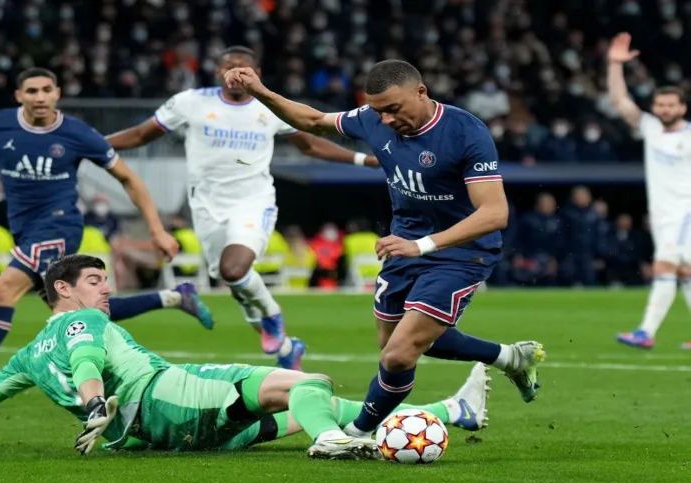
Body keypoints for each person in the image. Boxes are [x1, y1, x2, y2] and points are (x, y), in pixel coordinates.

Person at [0, 254, 490, 461]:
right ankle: (333, 445)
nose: (107, 289)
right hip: (169, 395)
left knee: (299, 405)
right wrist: (96, 398)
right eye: (98, 281)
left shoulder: (25, 357)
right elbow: (88, 360)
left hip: (159, 438)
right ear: (63, 291)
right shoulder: (77, 323)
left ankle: (449, 409)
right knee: (309, 380)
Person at [223, 60, 545, 447]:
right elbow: (312, 121)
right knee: (395, 343)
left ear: (421, 92)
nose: (387, 120)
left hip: (460, 252)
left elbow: (494, 213)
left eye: (393, 109)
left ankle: (357, 433)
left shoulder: (465, 131)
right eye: (378, 111)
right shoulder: (372, 118)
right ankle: (510, 358)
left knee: (397, 356)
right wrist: (260, 90)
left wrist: (422, 245)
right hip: (404, 247)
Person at [0, 68, 214, 402]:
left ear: (57, 93)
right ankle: (173, 296)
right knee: (80, 310)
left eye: (46, 90)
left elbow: (129, 179)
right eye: (32, 91)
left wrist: (157, 230)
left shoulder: (77, 134)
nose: (40, 97)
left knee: (2, 293)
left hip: (59, 226)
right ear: (19, 96)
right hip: (25, 230)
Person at [106, 46, 381, 370]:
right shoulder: (191, 102)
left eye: (243, 68)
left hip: (252, 201)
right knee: (232, 279)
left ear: (257, 74)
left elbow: (309, 143)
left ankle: (272, 317)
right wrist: (92, 142)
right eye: (229, 67)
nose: (236, 73)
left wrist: (362, 159)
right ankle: (285, 347)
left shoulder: (270, 107)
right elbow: (141, 134)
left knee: (234, 269)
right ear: (218, 71)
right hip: (206, 206)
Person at [607, 33, 691, 350]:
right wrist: (615, 65)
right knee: (684, 271)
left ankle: (645, 331)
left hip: (685, 213)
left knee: (666, 267)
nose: (665, 108)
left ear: (682, 107)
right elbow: (620, 103)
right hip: (663, 214)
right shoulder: (651, 128)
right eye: (660, 104)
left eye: (671, 104)